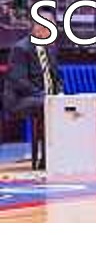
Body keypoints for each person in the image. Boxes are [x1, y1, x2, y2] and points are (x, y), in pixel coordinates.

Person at [3, 9, 63, 170]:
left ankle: (55, 154)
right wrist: (44, 96)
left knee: (64, 105)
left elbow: (56, 77)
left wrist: (60, 94)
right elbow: (19, 81)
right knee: (46, 105)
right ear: (36, 26)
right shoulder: (21, 48)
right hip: (19, 99)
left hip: (42, 97)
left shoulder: (51, 48)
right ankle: (45, 157)